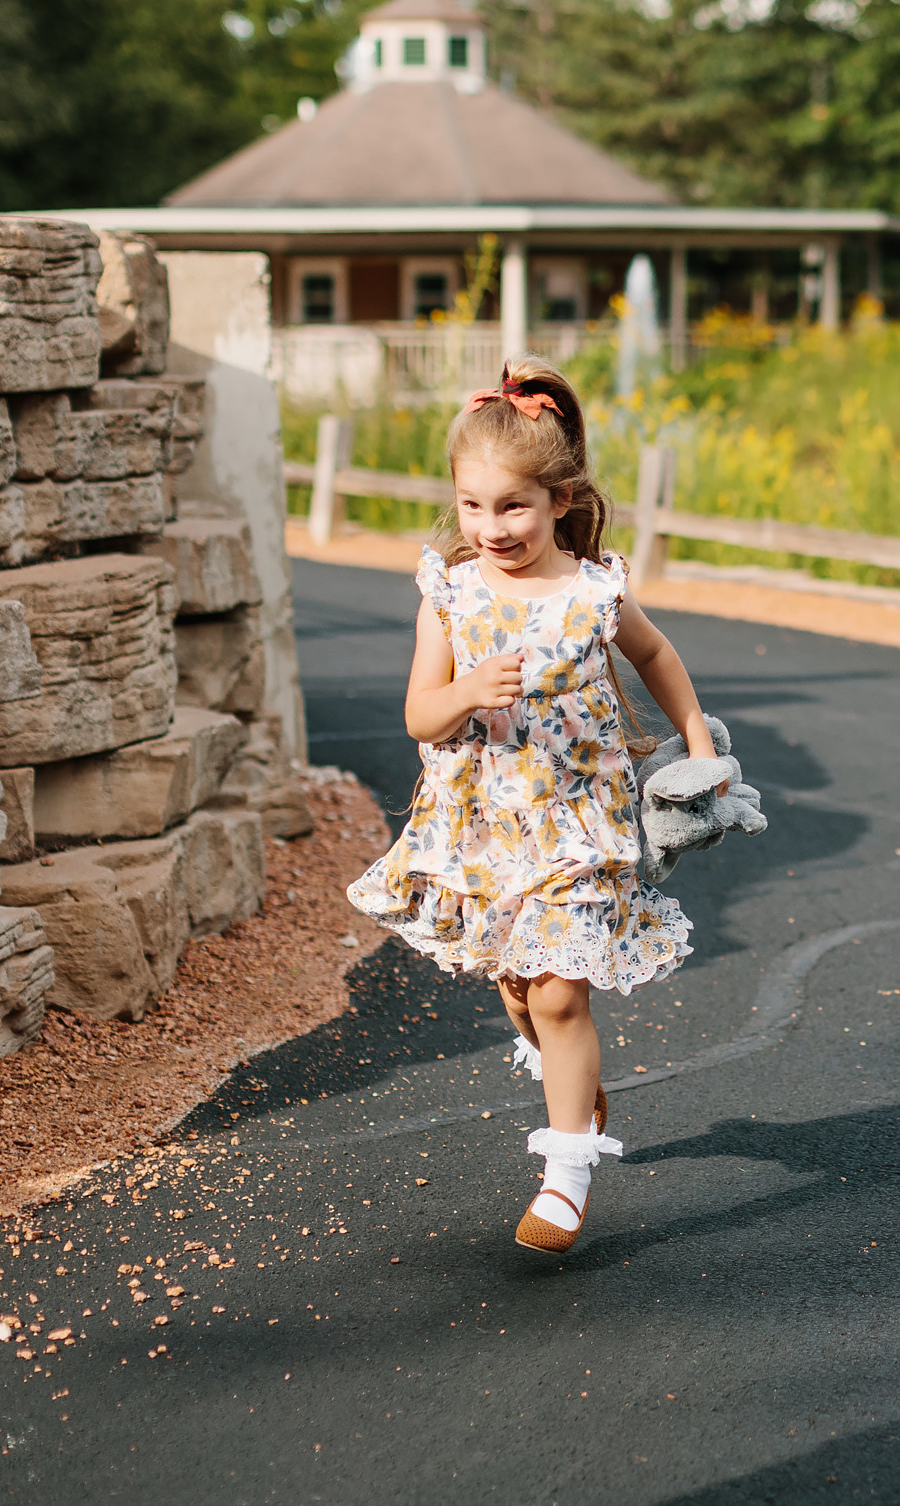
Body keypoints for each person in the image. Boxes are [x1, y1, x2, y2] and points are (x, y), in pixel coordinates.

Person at [346, 361, 727, 1256]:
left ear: (560, 499)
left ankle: (566, 1177)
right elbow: (417, 717)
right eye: (473, 507)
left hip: (578, 825)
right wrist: (469, 687)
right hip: (480, 828)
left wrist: (701, 748)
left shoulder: (595, 592)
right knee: (520, 990)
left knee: (560, 997)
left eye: (513, 506)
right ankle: (572, 1075)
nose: (491, 527)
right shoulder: (451, 593)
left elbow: (660, 657)